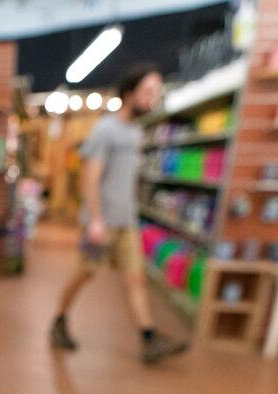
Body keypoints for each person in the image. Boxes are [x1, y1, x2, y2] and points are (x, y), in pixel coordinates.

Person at [50, 64, 188, 365]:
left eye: (156, 91)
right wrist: (95, 220)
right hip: (101, 223)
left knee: (135, 279)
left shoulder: (137, 131)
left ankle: (149, 338)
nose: (154, 98)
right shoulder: (105, 129)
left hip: (127, 222)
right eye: (148, 91)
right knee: (85, 272)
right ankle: (58, 321)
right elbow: (91, 176)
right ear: (130, 93)